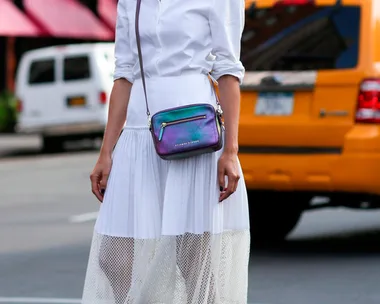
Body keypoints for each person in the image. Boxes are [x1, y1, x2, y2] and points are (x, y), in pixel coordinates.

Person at [82, 0, 250, 303]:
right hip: (138, 135)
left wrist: (231, 151)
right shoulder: (130, 3)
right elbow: (124, 75)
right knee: (113, 258)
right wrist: (106, 152)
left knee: (192, 261)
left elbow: (227, 71)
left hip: (192, 133)